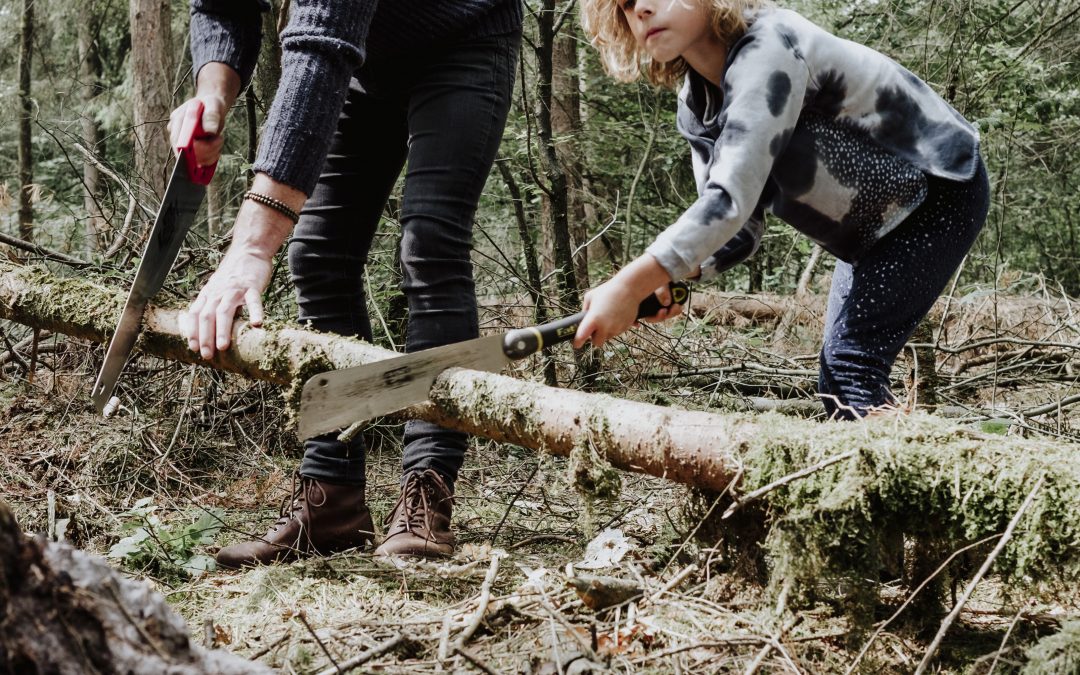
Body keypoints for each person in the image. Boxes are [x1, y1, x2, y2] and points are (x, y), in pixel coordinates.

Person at [170, 0, 523, 567]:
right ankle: (332, 498)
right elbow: (220, 6)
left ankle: (427, 489)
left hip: (464, 38)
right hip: (365, 61)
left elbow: (319, 39)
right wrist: (213, 92)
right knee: (317, 255)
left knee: (429, 245)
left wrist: (253, 247)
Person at [574, 0, 989, 419]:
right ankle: (884, 476)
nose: (641, 8)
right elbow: (738, 227)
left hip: (939, 188)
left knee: (851, 366)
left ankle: (902, 478)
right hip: (876, 228)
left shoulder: (771, 45)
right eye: (625, 3)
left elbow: (728, 200)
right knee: (838, 378)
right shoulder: (697, 107)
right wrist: (668, 275)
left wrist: (629, 285)